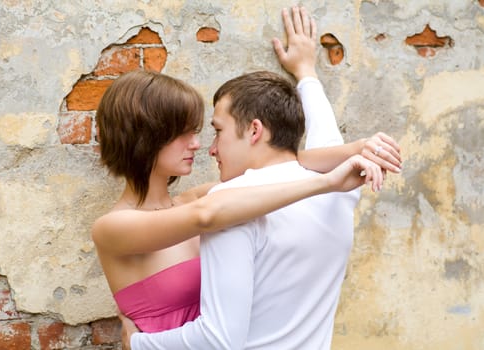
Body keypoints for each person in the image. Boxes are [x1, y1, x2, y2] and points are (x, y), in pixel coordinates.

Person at [95, 4, 400, 338]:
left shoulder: (193, 199)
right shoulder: (113, 227)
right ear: (146, 139)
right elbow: (209, 215)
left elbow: (283, 165)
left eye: (198, 131)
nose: (197, 144)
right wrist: (325, 183)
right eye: (182, 133)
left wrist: (355, 148)